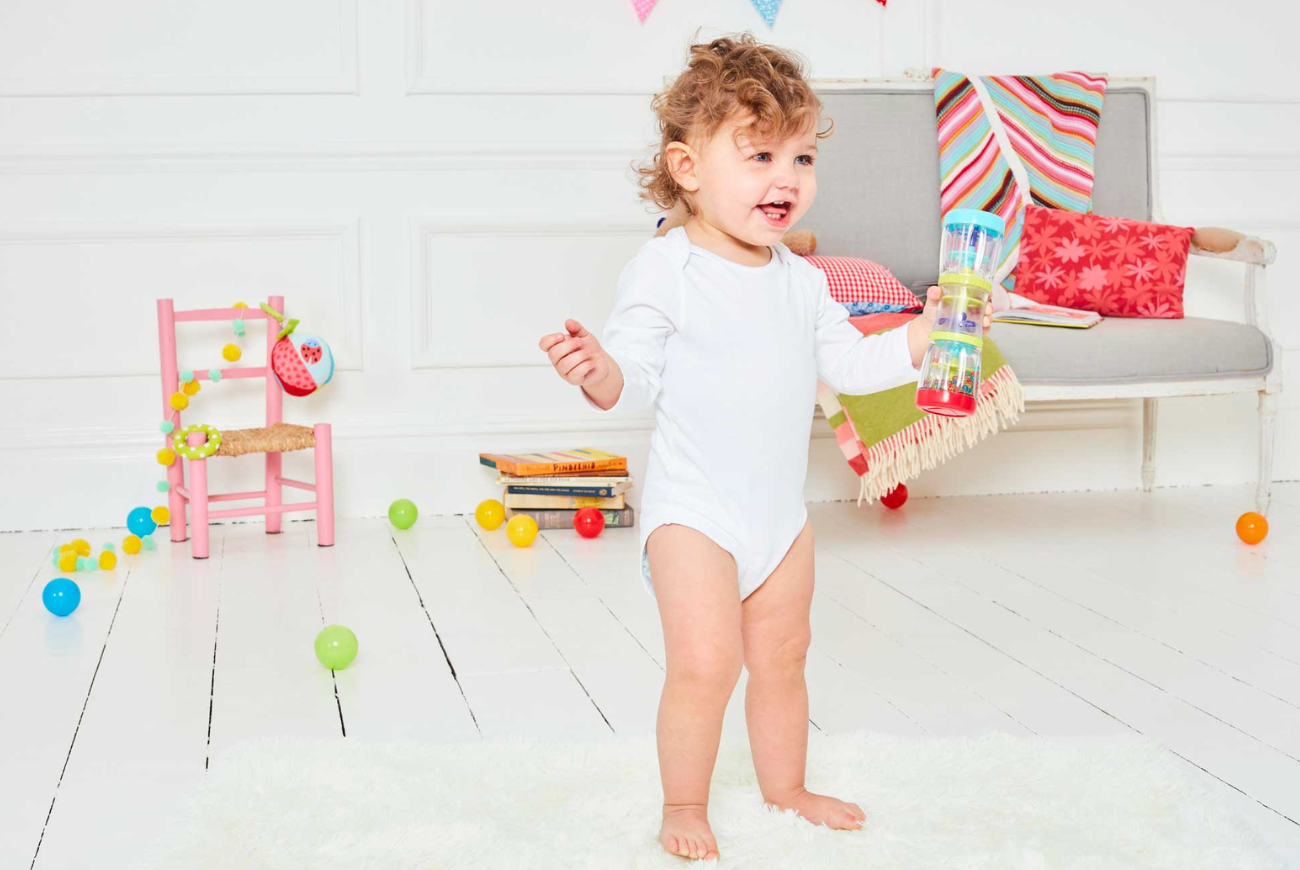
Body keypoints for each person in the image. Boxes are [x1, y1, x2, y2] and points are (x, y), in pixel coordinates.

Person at [539, 34, 991, 862]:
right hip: (696, 512)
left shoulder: (803, 280)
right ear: (687, 168)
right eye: (759, 156)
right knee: (707, 665)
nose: (787, 178)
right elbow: (631, 375)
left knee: (784, 658)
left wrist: (925, 335)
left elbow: (852, 367)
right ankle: (684, 801)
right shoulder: (664, 269)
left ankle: (787, 788)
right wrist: (597, 372)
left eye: (803, 156)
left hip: (779, 516)